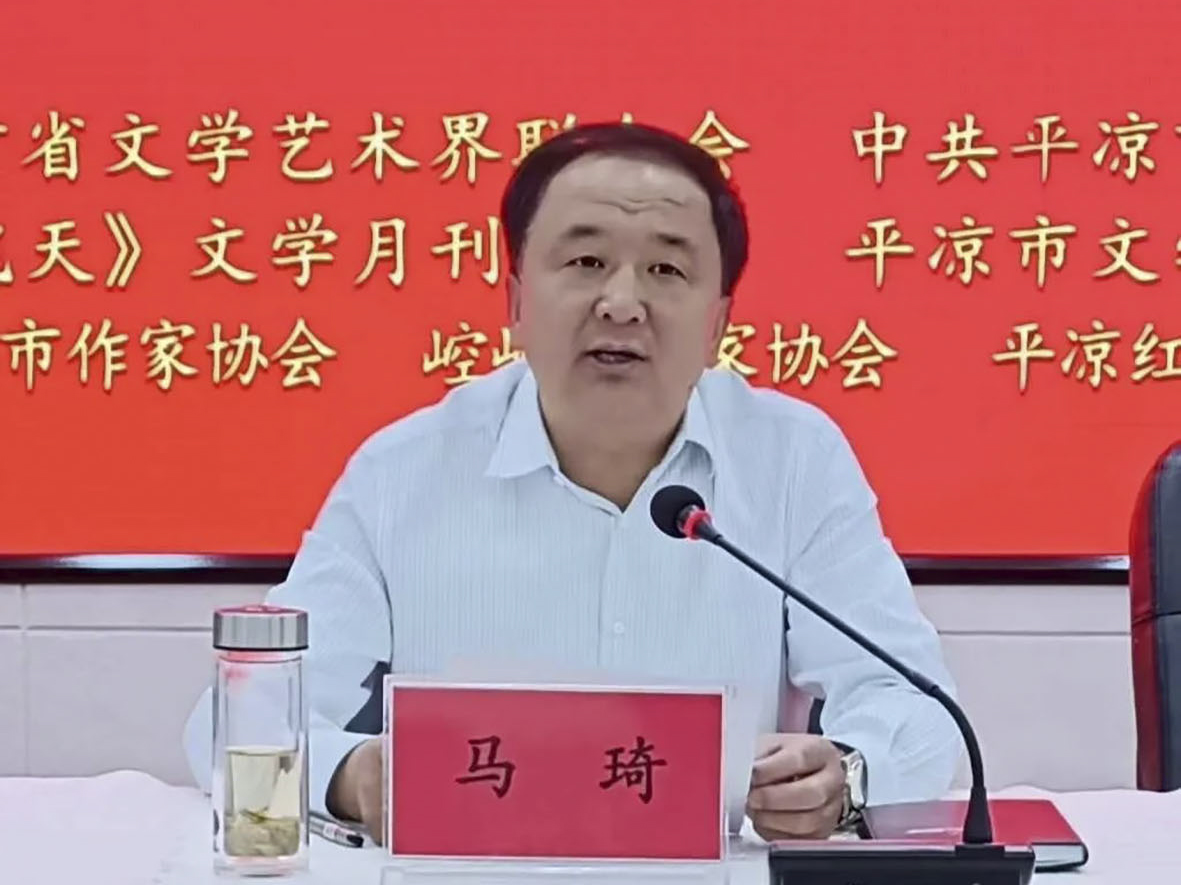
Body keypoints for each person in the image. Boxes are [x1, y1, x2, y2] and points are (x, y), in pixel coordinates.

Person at [184, 122, 960, 843]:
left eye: (666, 269)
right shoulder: (404, 470)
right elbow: (236, 717)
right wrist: (354, 777)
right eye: (586, 262)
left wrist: (848, 778)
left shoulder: (793, 460)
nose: (621, 303)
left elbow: (917, 706)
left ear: (718, 323)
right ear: (517, 302)